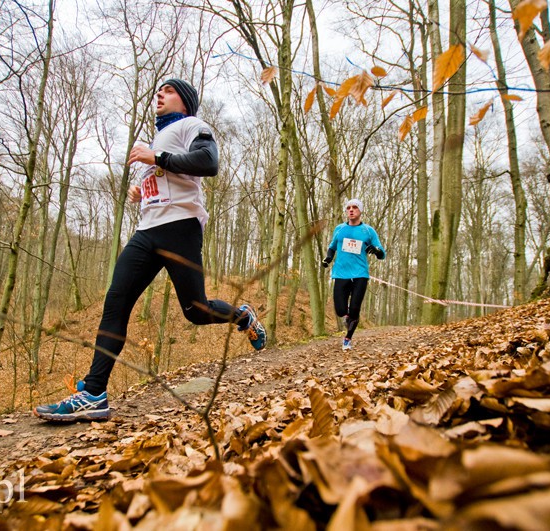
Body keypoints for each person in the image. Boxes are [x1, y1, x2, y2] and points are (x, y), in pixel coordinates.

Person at [35, 78, 267, 421]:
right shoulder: (158, 139)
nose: (160, 94)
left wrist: (154, 156)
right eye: (159, 90)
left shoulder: (193, 125)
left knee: (196, 310)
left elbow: (208, 162)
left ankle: (242, 316)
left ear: (184, 102)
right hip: (146, 231)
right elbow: (168, 175)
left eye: (168, 91)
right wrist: (143, 189)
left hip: (180, 228)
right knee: (116, 302)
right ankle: (94, 393)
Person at [321, 199, 385, 351]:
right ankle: (348, 318)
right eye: (348, 208)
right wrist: (328, 258)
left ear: (360, 211)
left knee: (355, 309)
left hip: (360, 274)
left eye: (355, 207)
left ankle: (347, 339)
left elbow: (382, 253)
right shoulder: (339, 229)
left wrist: (376, 250)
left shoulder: (368, 231)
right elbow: (332, 247)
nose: (351, 210)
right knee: (340, 310)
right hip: (341, 273)